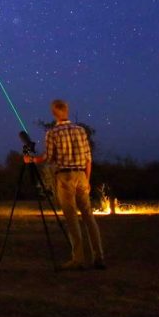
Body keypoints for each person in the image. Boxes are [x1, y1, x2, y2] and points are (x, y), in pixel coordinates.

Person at [24, 99, 106, 270]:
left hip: (65, 176)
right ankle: (99, 257)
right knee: (88, 217)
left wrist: (32, 159)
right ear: (67, 111)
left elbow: (49, 157)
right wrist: (87, 180)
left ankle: (78, 259)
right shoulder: (81, 130)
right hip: (82, 175)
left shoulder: (52, 133)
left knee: (72, 219)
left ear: (54, 113)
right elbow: (88, 158)